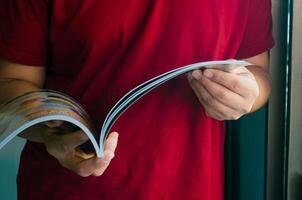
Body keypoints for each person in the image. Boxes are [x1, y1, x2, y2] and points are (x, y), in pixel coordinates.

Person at [0, 0, 274, 199]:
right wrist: (49, 132)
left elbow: (258, 73)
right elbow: (9, 84)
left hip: (192, 186)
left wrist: (246, 95)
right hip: (63, 187)